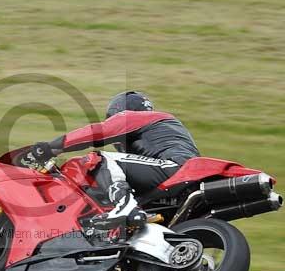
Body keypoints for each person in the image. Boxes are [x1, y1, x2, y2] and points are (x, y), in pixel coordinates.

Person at [30, 91, 200, 229]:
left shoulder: (135, 117)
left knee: (98, 158)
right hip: (182, 181)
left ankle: (124, 207)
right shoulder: (164, 127)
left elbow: (98, 132)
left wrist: (52, 147)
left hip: (174, 168)